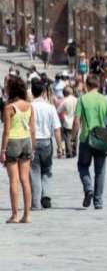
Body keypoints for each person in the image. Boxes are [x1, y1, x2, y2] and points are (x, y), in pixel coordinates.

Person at [71, 74, 107, 209]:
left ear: (87, 86)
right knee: (100, 171)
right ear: (98, 86)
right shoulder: (104, 100)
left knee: (82, 166)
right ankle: (98, 202)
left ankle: (88, 189)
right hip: (101, 139)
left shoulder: (82, 99)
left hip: (86, 139)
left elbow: (76, 121)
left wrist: (72, 138)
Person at [0, 75, 35, 223]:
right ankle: (27, 215)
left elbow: (6, 131)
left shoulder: (9, 107)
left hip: (13, 142)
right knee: (25, 180)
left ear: (11, 89)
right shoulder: (29, 106)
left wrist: (2, 151)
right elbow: (33, 129)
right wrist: (33, 147)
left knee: (13, 180)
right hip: (26, 141)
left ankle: (15, 215)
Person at [30, 79, 63, 210]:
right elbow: (56, 128)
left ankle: (35, 203)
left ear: (32, 92)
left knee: (34, 172)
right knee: (47, 171)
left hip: (32, 142)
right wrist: (60, 146)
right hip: (46, 142)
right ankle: (46, 195)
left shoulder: (29, 107)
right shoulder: (50, 108)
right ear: (44, 92)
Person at [57, 86, 78, 158]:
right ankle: (74, 151)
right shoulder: (77, 100)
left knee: (67, 138)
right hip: (76, 121)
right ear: (71, 92)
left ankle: (69, 152)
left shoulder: (65, 101)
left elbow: (58, 110)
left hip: (67, 121)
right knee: (75, 137)